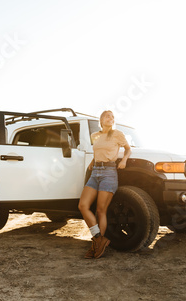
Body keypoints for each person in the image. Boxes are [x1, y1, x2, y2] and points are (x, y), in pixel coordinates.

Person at [78, 110, 131, 259]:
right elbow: (97, 151)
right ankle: (99, 239)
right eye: (108, 116)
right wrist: (92, 162)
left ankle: (96, 245)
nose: (111, 118)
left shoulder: (117, 134)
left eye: (113, 117)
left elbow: (128, 149)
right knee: (83, 205)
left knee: (101, 210)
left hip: (109, 172)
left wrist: (124, 160)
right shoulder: (95, 136)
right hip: (95, 172)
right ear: (101, 119)